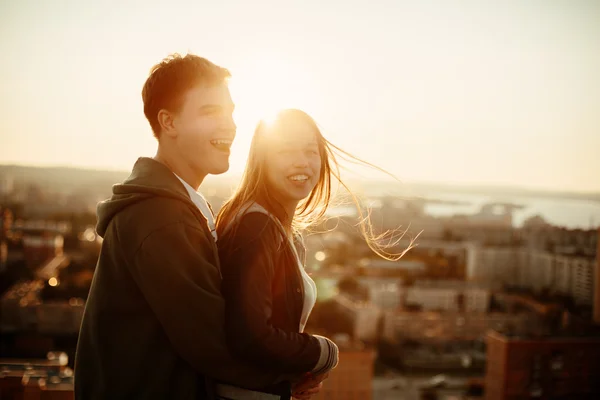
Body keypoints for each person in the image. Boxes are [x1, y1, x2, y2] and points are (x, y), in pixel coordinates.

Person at [74, 55, 318, 400]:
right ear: (168, 122)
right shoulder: (161, 217)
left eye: (231, 112)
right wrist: (294, 373)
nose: (230, 125)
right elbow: (212, 342)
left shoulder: (182, 206)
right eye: (210, 112)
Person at [215, 109, 413, 400]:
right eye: (286, 150)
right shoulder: (255, 226)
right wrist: (324, 352)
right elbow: (250, 337)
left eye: (311, 151)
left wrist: (291, 375)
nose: (302, 161)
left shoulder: (274, 226)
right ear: (262, 158)